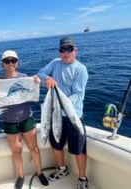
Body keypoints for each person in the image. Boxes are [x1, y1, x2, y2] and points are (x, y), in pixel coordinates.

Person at [0, 50, 49, 189]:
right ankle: (20, 176)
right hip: (10, 122)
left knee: (34, 149)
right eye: (7, 61)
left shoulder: (25, 77)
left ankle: (39, 172)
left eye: (13, 60)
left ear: (17, 62)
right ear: (2, 63)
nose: (10, 63)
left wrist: (37, 84)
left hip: (27, 118)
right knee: (17, 152)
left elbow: (33, 96)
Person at [37, 36, 89, 189]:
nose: (65, 52)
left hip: (73, 116)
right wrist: (47, 79)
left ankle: (82, 177)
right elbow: (40, 73)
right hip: (55, 115)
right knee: (56, 145)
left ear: (75, 51)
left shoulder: (81, 69)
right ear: (59, 51)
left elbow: (79, 95)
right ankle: (62, 168)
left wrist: (62, 103)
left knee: (79, 149)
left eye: (69, 49)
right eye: (62, 49)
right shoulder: (55, 63)